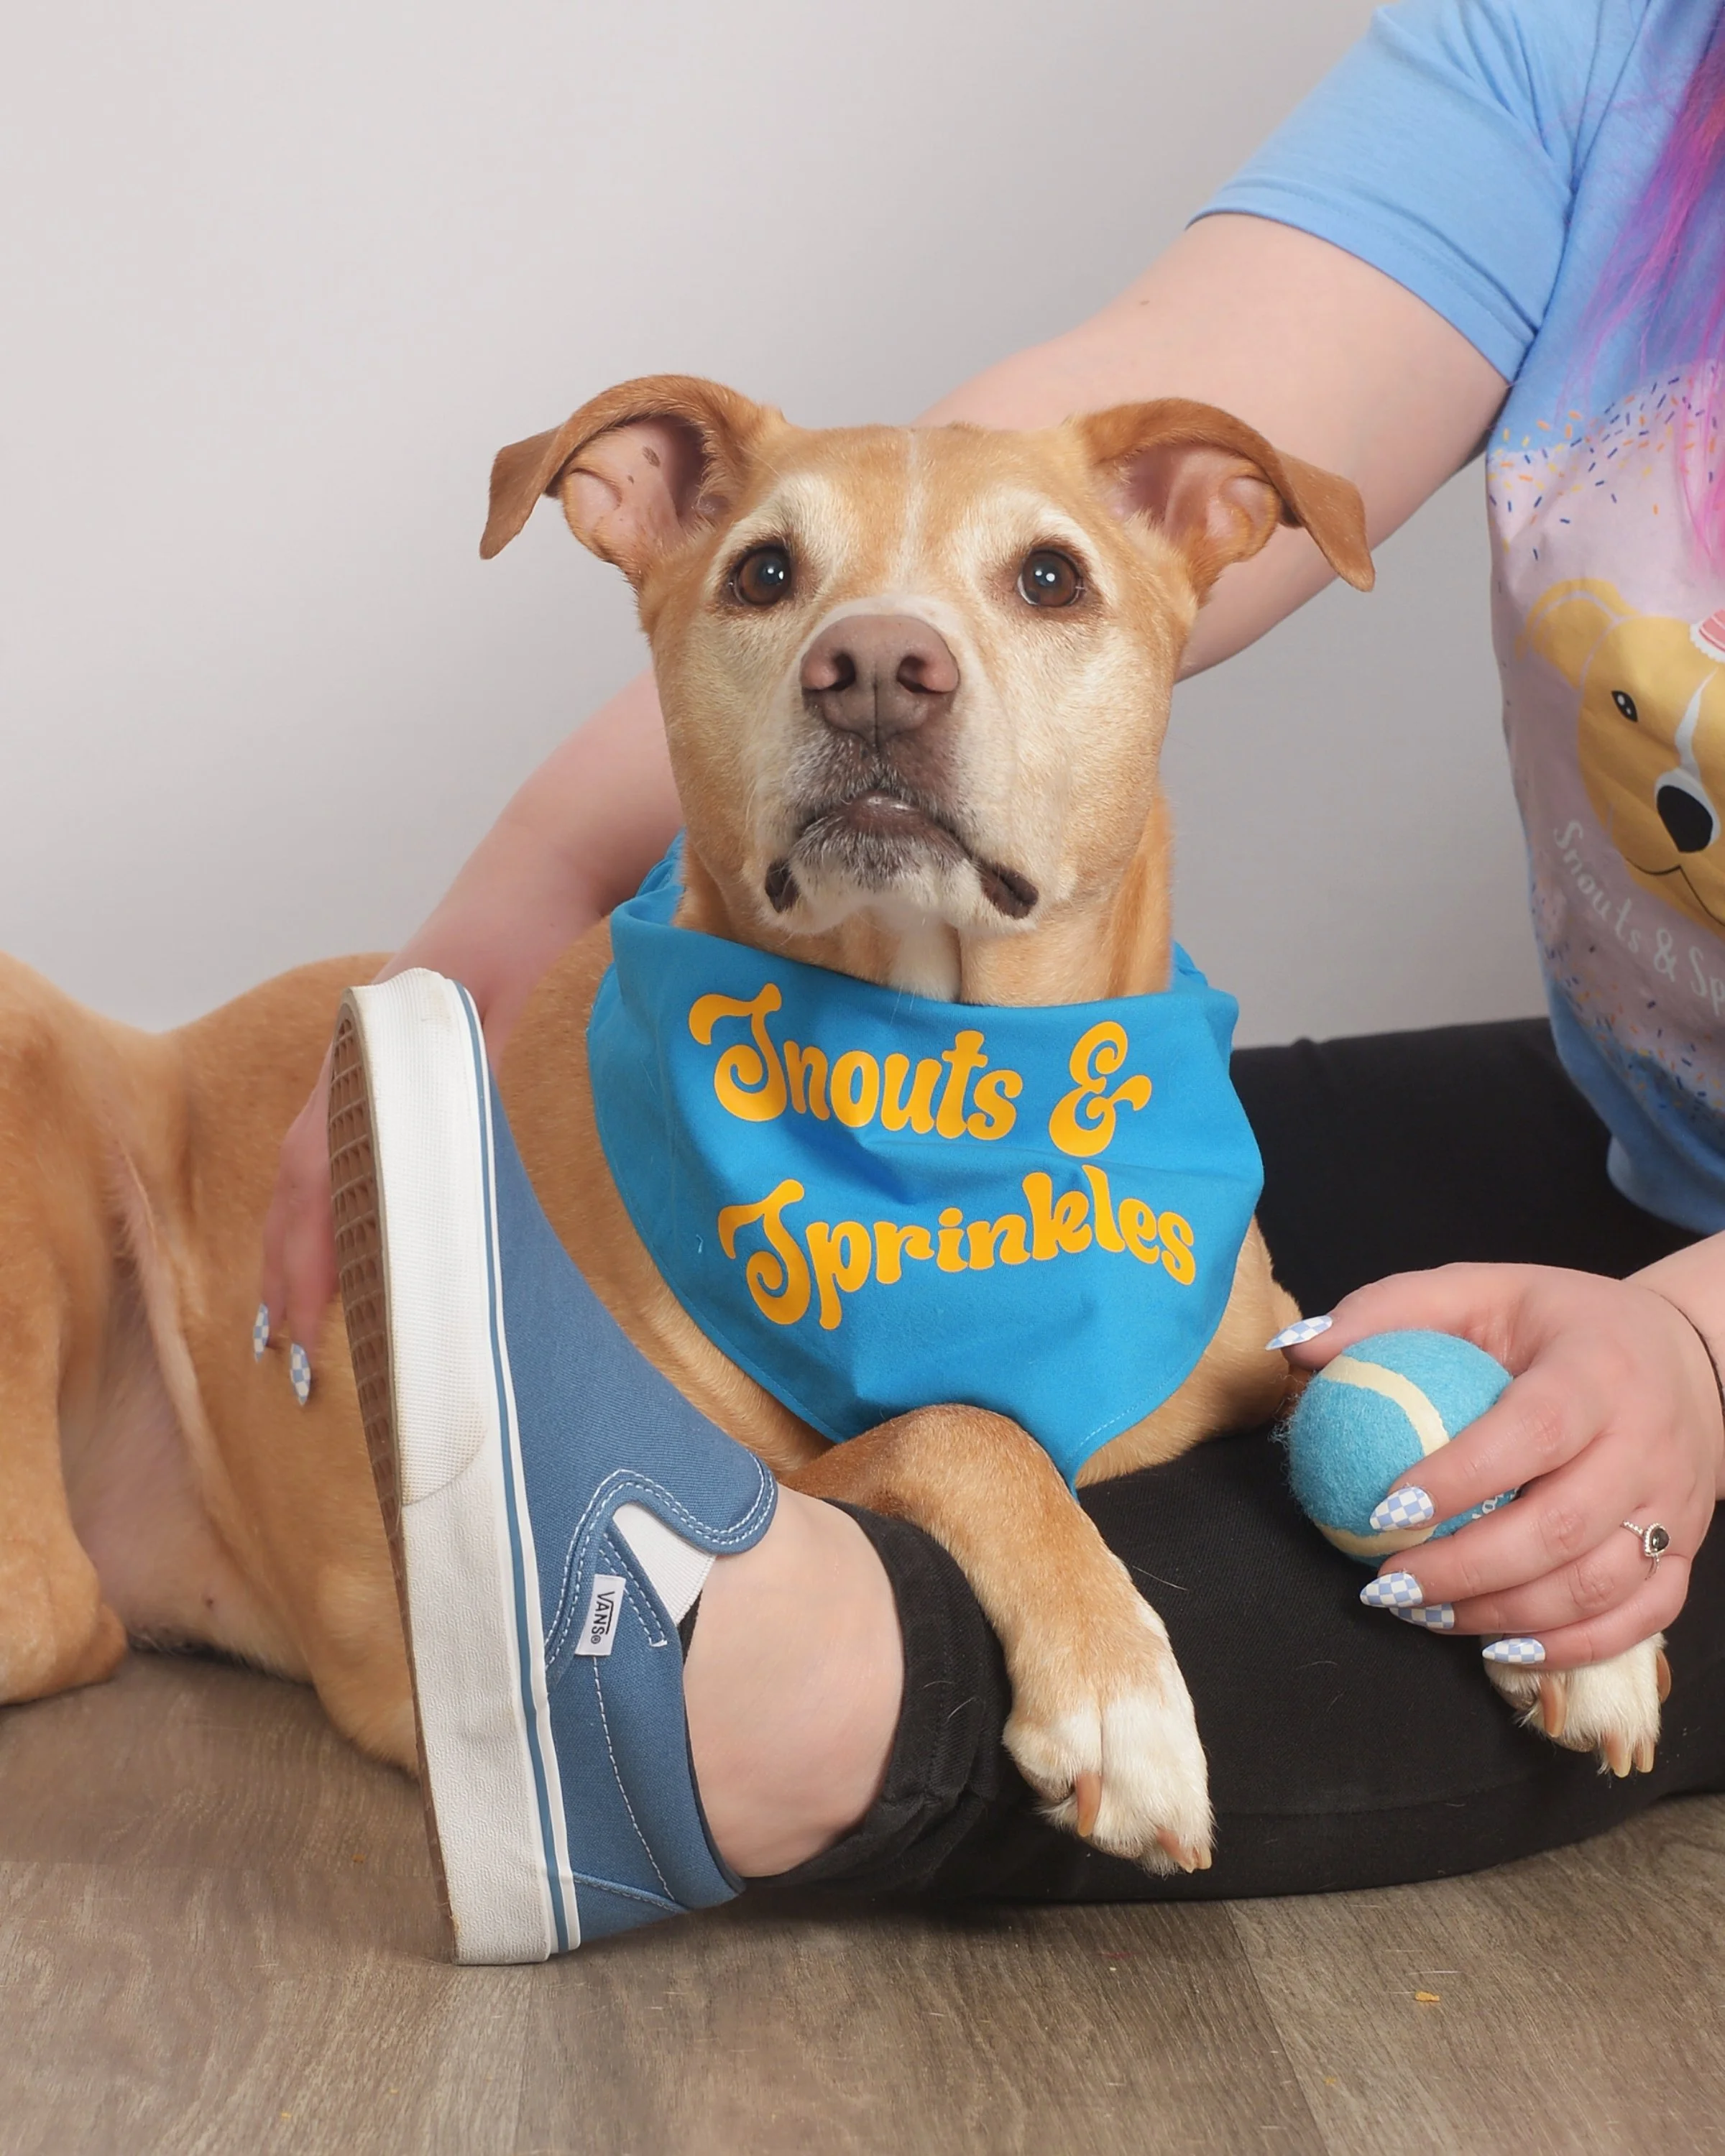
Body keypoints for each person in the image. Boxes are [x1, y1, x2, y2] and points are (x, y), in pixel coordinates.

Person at [258, 0, 1725, 1952]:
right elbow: (1062, 441)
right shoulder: (1598, 44)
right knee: (1136, 1260)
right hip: (1655, 1122)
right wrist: (492, 934)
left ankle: (806, 1693)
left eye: (1028, 607)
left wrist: (1696, 1351)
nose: (891, 661)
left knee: (1582, 1501)